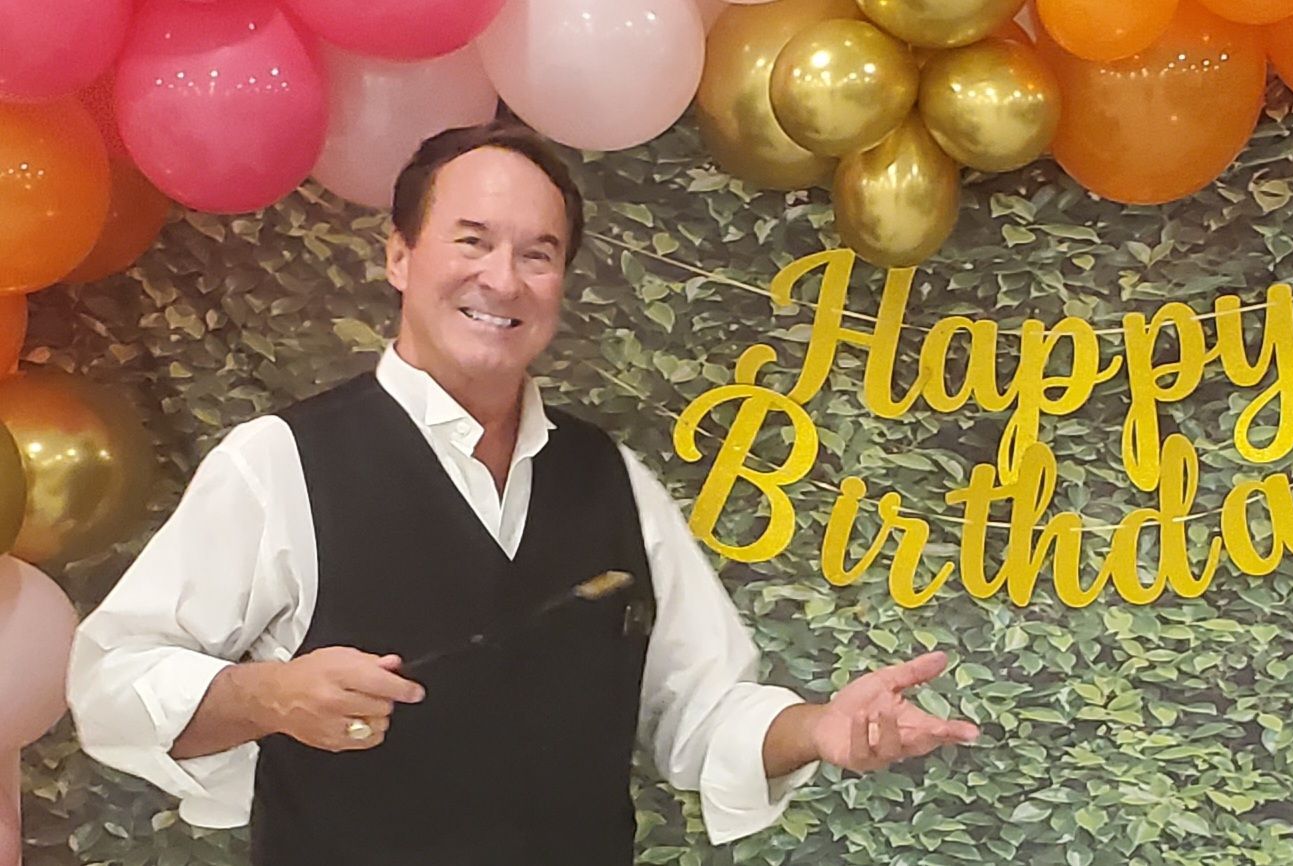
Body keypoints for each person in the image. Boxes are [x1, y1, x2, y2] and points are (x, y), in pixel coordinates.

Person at [66, 120, 980, 866]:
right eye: (472, 241)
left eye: (537, 254)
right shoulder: (278, 463)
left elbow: (700, 712)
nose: (501, 279)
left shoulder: (610, 479)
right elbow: (110, 683)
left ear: (562, 285)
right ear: (399, 255)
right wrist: (266, 696)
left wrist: (823, 730)